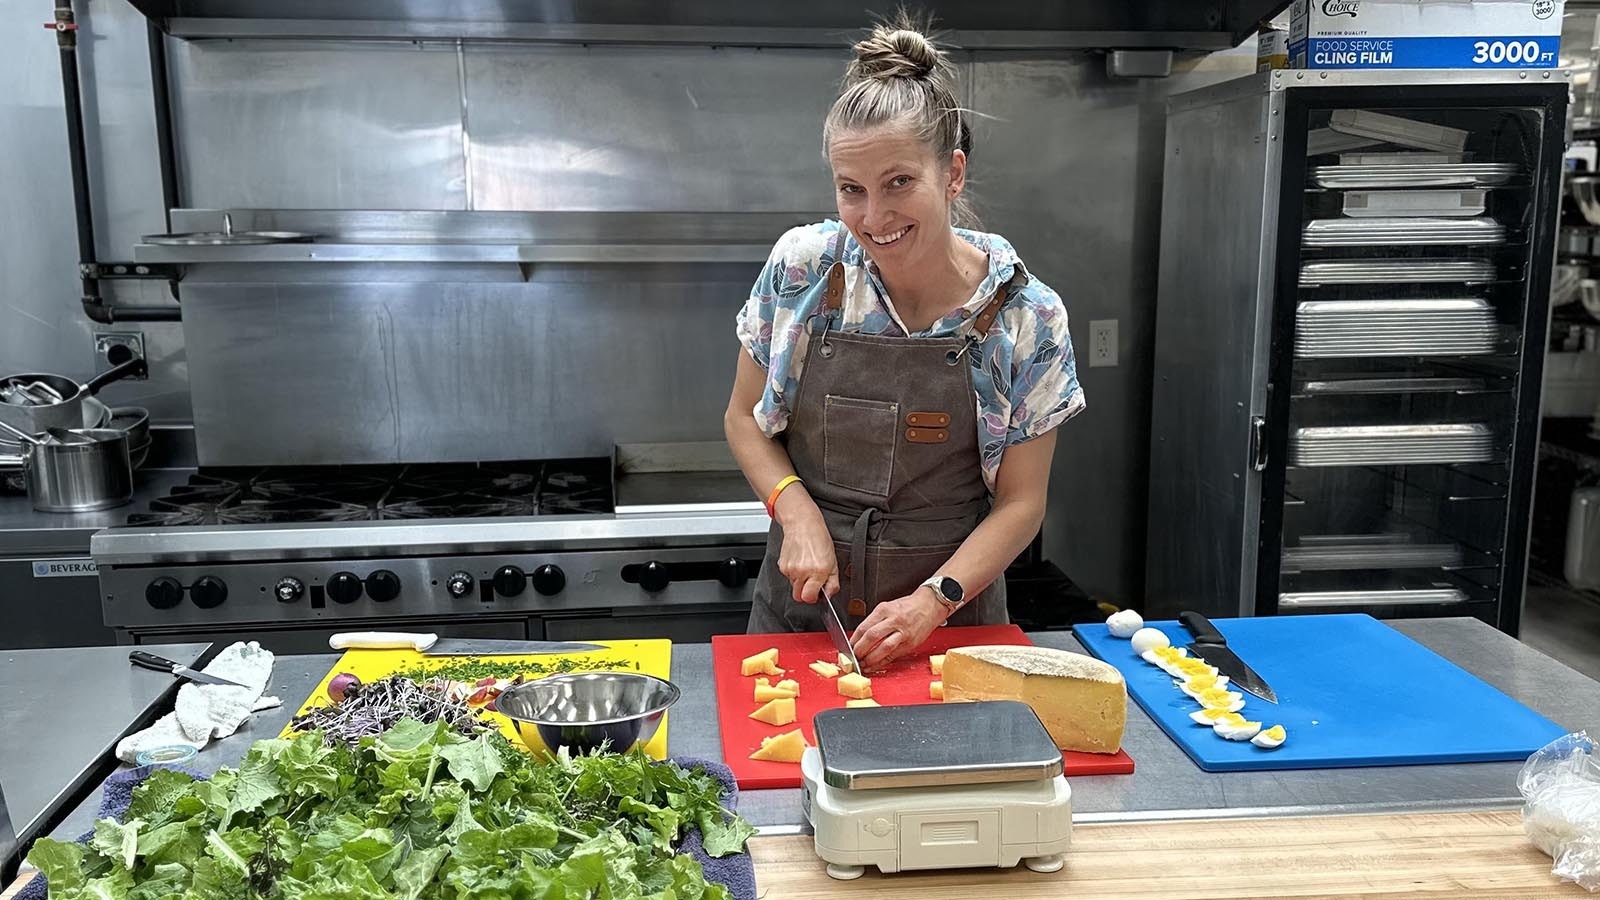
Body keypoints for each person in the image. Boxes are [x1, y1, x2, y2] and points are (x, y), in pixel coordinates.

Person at [723, 17, 1084, 670]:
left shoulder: (1023, 315)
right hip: (805, 618)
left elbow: (1023, 502)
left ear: (952, 174)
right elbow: (743, 420)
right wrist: (797, 515)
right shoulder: (803, 270)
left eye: (898, 183)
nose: (872, 217)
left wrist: (932, 601)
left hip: (951, 628)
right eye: (850, 190)